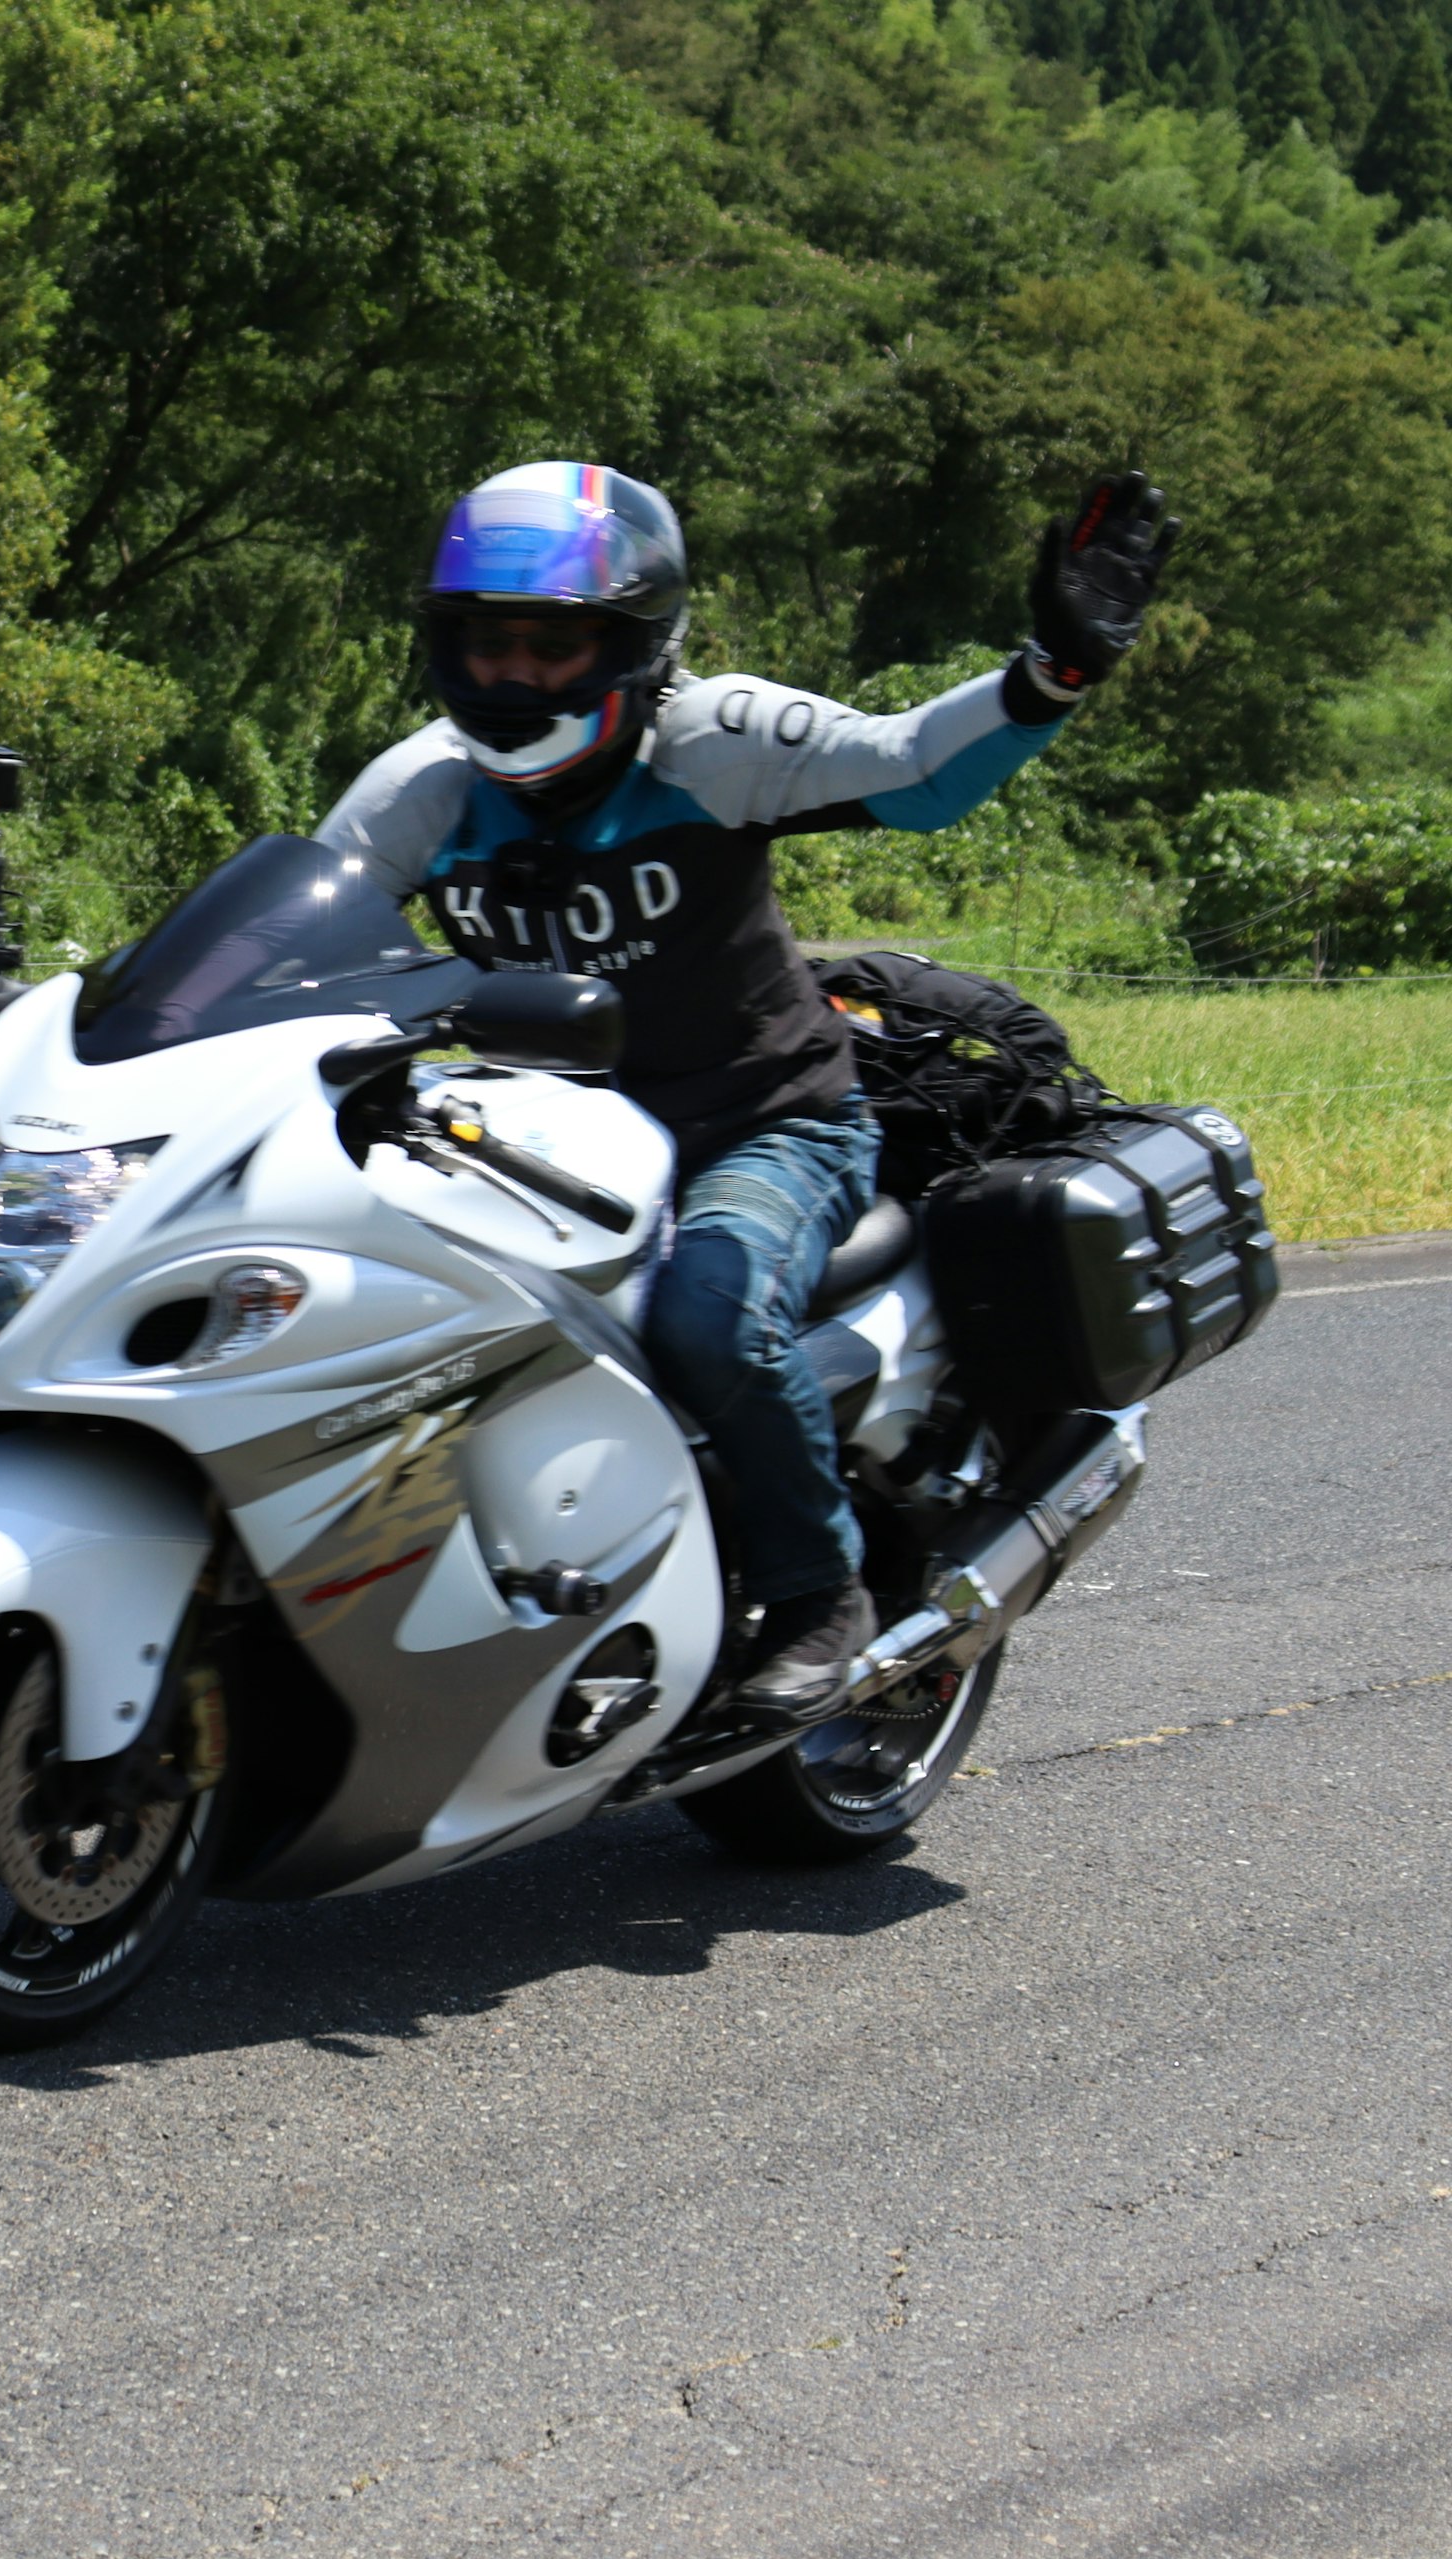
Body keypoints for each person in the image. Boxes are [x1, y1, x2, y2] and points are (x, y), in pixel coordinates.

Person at [314, 461, 1174, 1721]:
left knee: (711, 1314)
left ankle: (819, 1591)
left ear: (633, 644)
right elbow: (295, 925)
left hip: (763, 1125)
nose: (515, 680)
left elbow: (914, 767)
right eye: (488, 645)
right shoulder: (428, 788)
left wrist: (1053, 670)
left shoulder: (710, 743)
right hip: (534, 1149)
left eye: (554, 649)